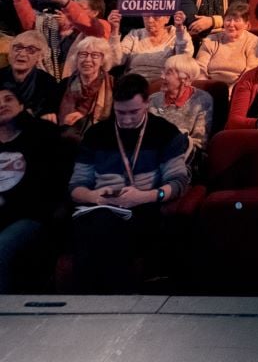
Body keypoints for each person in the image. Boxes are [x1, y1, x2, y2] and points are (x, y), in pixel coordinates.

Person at [68, 73, 190, 293]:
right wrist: (93, 196)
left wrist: (146, 196)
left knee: (105, 233)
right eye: (120, 112)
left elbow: (178, 182)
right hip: (100, 206)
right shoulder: (96, 134)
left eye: (134, 112)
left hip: (144, 207)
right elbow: (76, 186)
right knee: (97, 225)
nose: (126, 120)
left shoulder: (164, 133)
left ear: (147, 103)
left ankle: (101, 302)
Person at [0, 84, 66, 292]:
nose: (1, 105)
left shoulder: (41, 135)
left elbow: (45, 189)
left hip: (30, 216)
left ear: (21, 104)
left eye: (8, 99)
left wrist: (5, 201)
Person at [147, 54, 213, 168]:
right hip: (152, 156)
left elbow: (199, 143)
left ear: (186, 80)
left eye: (168, 73)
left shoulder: (202, 101)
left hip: (184, 159)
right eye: (163, 71)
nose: (162, 76)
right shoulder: (153, 99)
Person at [108, 11, 192, 81]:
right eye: (147, 16)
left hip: (164, 83)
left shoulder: (177, 34)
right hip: (133, 84)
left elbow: (184, 58)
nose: (150, 20)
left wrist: (180, 32)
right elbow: (116, 60)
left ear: (167, 18)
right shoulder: (135, 34)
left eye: (156, 17)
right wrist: (114, 30)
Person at [194, 3, 258, 85]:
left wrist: (233, 91)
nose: (231, 24)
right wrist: (205, 88)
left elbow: (250, 72)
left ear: (246, 25)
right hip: (211, 86)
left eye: (236, 20)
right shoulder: (211, 40)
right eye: (228, 20)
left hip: (240, 87)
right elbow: (200, 68)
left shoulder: (253, 42)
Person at [0, 32, 60, 119]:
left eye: (31, 50)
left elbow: (48, 115)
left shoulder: (48, 83)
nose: (22, 54)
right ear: (10, 53)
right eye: (18, 48)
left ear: (40, 56)